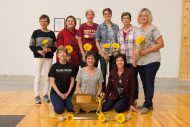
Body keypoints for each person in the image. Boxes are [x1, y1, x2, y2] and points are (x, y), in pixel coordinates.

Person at [137, 8, 164, 114]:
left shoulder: (153, 28)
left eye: (145, 15)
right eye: (141, 15)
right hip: (141, 61)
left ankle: (147, 105)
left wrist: (146, 51)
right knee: (144, 82)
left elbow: (161, 44)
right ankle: (148, 103)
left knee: (149, 82)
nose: (143, 17)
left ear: (149, 17)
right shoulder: (139, 29)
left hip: (152, 60)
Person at [29, 14, 56, 104]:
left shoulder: (51, 33)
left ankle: (45, 94)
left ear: (48, 22)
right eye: (42, 21)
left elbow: (55, 46)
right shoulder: (35, 32)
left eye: (45, 21)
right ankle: (37, 95)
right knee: (38, 77)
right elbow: (31, 45)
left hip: (48, 58)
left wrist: (49, 50)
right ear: (39, 22)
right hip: (38, 58)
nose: (43, 23)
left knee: (47, 77)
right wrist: (39, 51)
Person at [117, 12, 142, 104]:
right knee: (124, 80)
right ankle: (125, 98)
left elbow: (138, 45)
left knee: (133, 80)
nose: (126, 20)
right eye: (124, 18)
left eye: (127, 18)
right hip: (123, 61)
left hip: (133, 59)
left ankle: (134, 99)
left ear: (130, 20)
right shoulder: (119, 32)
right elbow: (118, 46)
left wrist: (135, 60)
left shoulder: (136, 30)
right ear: (121, 20)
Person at [96, 8, 119, 92]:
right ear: (103, 15)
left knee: (112, 72)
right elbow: (97, 41)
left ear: (111, 15)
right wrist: (102, 53)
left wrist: (117, 51)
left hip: (113, 53)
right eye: (105, 14)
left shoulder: (116, 26)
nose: (107, 15)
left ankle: (111, 90)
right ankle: (103, 90)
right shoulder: (100, 27)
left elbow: (118, 40)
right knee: (103, 72)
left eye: (109, 13)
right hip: (104, 53)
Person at [48, 46, 75, 114]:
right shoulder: (54, 67)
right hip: (56, 93)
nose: (62, 54)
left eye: (64, 52)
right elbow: (52, 82)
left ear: (67, 54)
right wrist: (59, 93)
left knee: (71, 109)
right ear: (58, 55)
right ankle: (59, 101)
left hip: (68, 93)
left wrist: (68, 92)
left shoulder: (71, 66)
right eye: (60, 52)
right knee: (59, 110)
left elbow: (72, 81)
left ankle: (65, 101)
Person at [56, 15, 79, 94]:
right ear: (66, 23)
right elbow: (59, 47)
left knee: (74, 78)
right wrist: (66, 57)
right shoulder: (62, 33)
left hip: (75, 60)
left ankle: (72, 94)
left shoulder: (78, 32)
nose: (70, 22)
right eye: (69, 21)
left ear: (75, 23)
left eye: (72, 21)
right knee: (65, 78)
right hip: (65, 61)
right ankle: (63, 93)